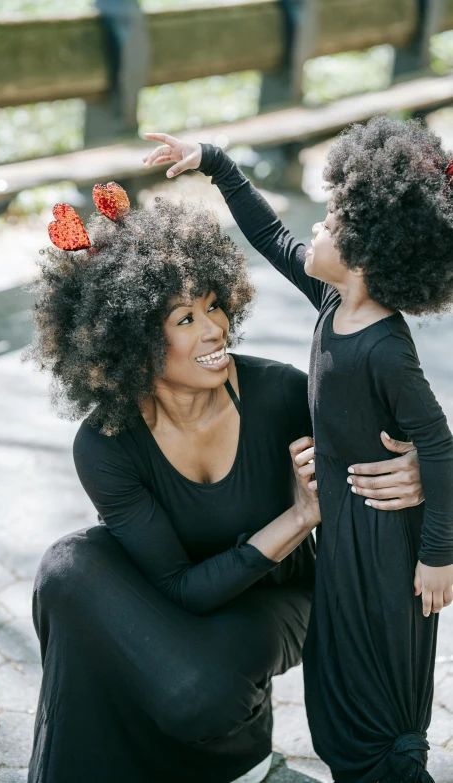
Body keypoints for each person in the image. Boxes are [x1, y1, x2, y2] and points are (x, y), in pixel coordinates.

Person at [26, 180, 425, 783]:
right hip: (179, 593)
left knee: (199, 697)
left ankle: (236, 757)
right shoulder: (105, 444)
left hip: (279, 596)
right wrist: (298, 516)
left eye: (213, 304)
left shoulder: (281, 393)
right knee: (68, 569)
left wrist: (419, 464)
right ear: (129, 341)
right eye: (184, 318)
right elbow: (181, 589)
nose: (215, 329)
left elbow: (393, 427)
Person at [143, 115, 453, 782]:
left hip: (385, 548)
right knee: (335, 692)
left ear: (370, 252)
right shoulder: (332, 301)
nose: (317, 224)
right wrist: (215, 162)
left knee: (380, 702)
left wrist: (438, 557)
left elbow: (437, 442)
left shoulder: (385, 347)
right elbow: (271, 235)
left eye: (334, 219)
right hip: (343, 537)